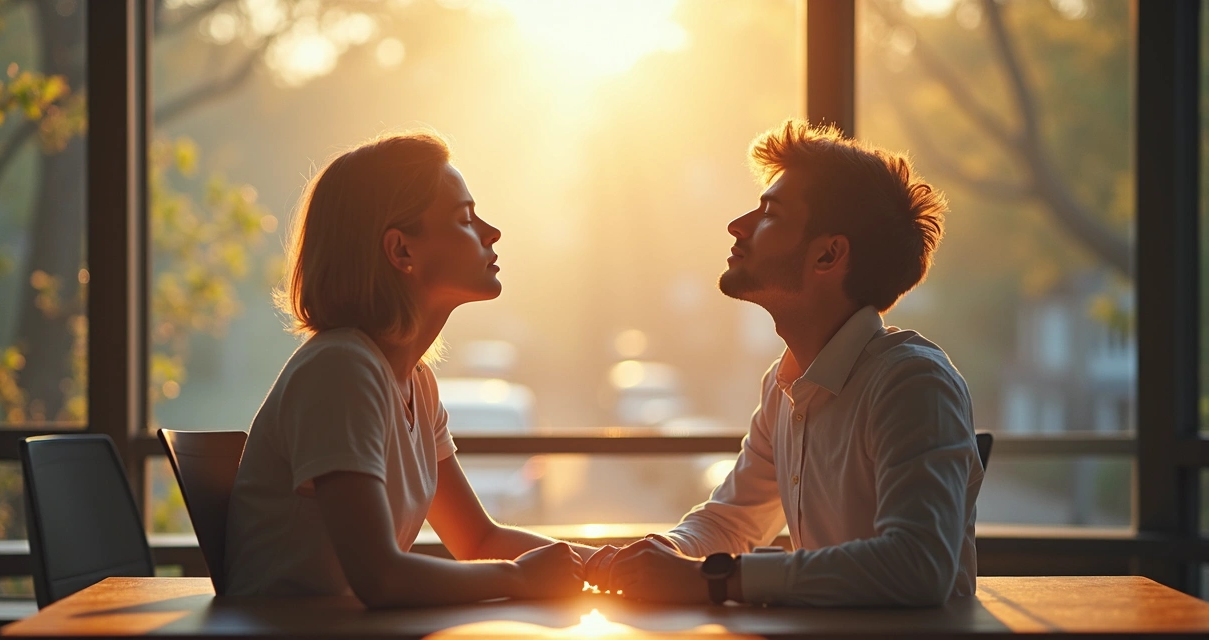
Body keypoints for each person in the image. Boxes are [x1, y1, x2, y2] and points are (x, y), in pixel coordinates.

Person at [586, 119, 983, 607]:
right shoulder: (784, 383)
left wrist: (712, 580)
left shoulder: (912, 384)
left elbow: (917, 567)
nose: (738, 226)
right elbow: (732, 520)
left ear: (828, 255)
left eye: (769, 214)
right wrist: (659, 556)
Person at [223, 131, 588, 607]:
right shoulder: (341, 371)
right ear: (401, 252)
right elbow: (381, 578)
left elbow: (477, 541)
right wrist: (518, 579)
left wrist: (612, 565)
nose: (491, 232)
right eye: (464, 218)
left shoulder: (415, 382)